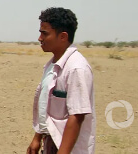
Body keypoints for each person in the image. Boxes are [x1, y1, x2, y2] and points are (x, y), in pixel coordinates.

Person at [28, 8, 95, 154]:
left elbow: (77, 116)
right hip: (51, 143)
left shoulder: (76, 68)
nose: (40, 38)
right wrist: (37, 138)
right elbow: (47, 107)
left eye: (44, 33)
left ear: (63, 36)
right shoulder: (52, 66)